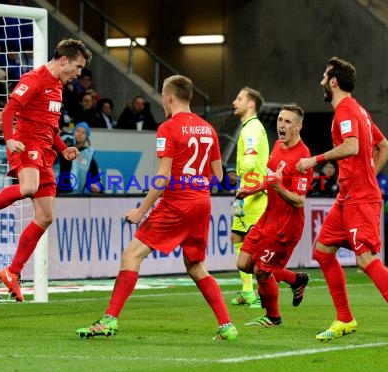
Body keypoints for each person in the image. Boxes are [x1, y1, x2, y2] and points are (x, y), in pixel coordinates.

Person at [76, 75, 238, 341]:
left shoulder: (168, 128)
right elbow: (219, 175)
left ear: (170, 97)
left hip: (177, 202)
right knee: (196, 265)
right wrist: (196, 183)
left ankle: (109, 320)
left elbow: (162, 177)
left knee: (131, 255)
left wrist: (142, 210)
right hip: (201, 202)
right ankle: (226, 325)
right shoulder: (208, 129)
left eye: (163, 95)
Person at [0, 38, 92, 302]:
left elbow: (50, 128)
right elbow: (9, 110)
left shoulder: (58, 86)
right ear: (63, 60)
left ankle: (12, 271)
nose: (79, 72)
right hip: (25, 144)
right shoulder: (35, 78)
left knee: (46, 217)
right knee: (29, 187)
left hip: (46, 152)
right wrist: (9, 138)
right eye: (77, 66)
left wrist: (62, 147)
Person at [296, 57, 388, 346]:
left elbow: (351, 146)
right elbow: (385, 147)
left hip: (359, 199)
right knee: (323, 251)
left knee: (365, 260)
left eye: (324, 76)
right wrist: (368, 175)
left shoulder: (346, 111)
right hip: (348, 197)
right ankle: (344, 319)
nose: (320, 81)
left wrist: (314, 159)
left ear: (334, 82)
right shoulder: (360, 111)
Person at [237, 104, 313, 327]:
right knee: (244, 262)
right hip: (268, 219)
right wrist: (252, 188)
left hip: (286, 227)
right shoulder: (278, 146)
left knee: (262, 270)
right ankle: (296, 280)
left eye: (288, 121)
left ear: (298, 127)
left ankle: (273, 317)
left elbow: (299, 200)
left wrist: (279, 188)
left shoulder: (303, 158)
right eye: (280, 120)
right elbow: (271, 180)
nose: (282, 124)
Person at [230, 87, 269, 308]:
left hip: (252, 194)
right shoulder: (249, 127)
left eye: (239, 98)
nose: (234, 101)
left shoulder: (252, 129)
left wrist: (243, 174)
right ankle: (248, 291)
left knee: (258, 246)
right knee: (237, 237)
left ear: (251, 104)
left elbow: (251, 161)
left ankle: (265, 293)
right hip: (245, 192)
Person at [54, 122, 102, 194]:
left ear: (87, 137)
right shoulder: (62, 149)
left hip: (75, 197)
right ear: (72, 133)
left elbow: (95, 180)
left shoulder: (88, 157)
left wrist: (97, 187)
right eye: (77, 131)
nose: (80, 134)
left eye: (83, 132)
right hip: (55, 192)